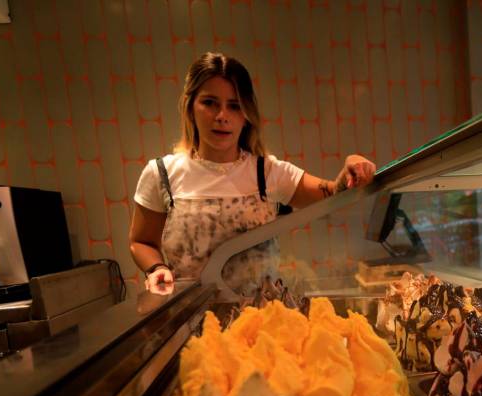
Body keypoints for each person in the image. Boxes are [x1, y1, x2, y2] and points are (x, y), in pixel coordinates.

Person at [129, 52, 376, 294]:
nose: (222, 116)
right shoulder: (162, 174)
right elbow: (141, 242)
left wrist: (351, 167)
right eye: (209, 103)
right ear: (190, 107)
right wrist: (156, 268)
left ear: (246, 115)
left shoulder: (267, 172)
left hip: (259, 317)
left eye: (234, 106)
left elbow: (333, 195)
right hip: (188, 316)